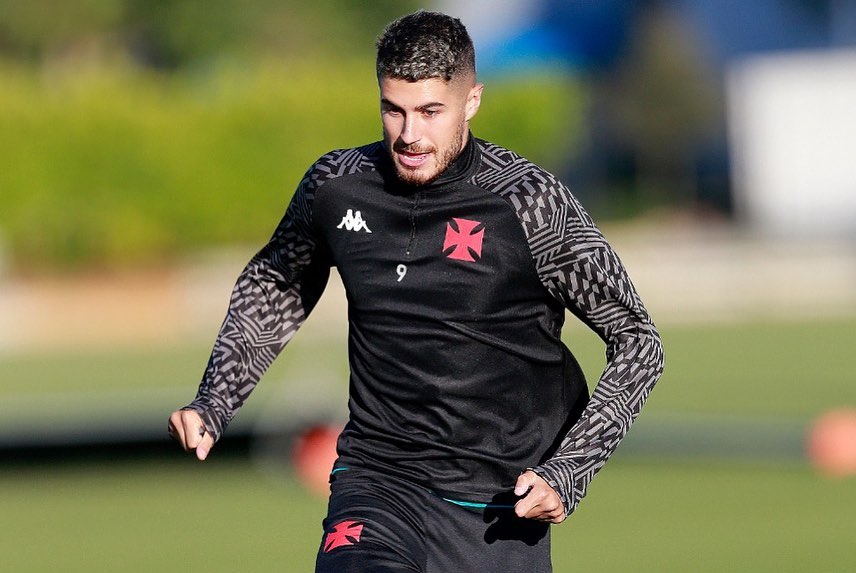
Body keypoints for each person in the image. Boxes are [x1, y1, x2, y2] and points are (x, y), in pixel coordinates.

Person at [168, 10, 664, 572]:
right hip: (376, 482)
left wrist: (570, 470)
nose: (409, 135)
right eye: (393, 110)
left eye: (430, 112)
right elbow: (277, 282)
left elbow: (639, 342)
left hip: (498, 508)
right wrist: (215, 398)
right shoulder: (336, 186)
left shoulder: (529, 203)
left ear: (471, 101)